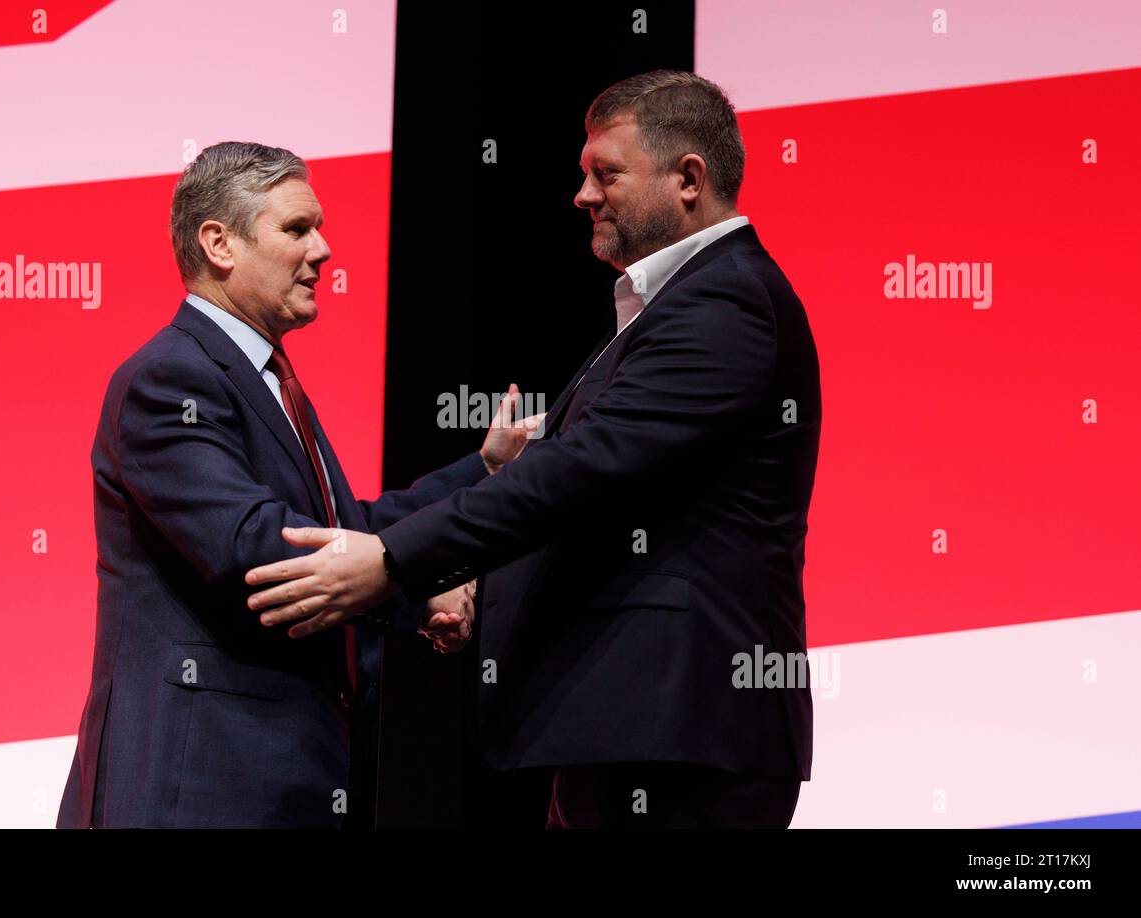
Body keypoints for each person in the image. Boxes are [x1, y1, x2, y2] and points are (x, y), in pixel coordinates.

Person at [246, 72, 822, 828]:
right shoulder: (679, 306)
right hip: (641, 725)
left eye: (604, 173)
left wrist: (391, 563)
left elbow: (579, 475)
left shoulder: (726, 302)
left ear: (688, 179)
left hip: (682, 730)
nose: (582, 194)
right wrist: (471, 590)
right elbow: (599, 495)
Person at [57, 141, 536, 828]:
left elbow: (349, 525)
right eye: (297, 229)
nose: (325, 249)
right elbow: (256, 551)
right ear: (219, 243)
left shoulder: (270, 383)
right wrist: (416, 576)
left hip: (284, 781)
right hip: (197, 789)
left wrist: (484, 473)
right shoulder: (170, 379)